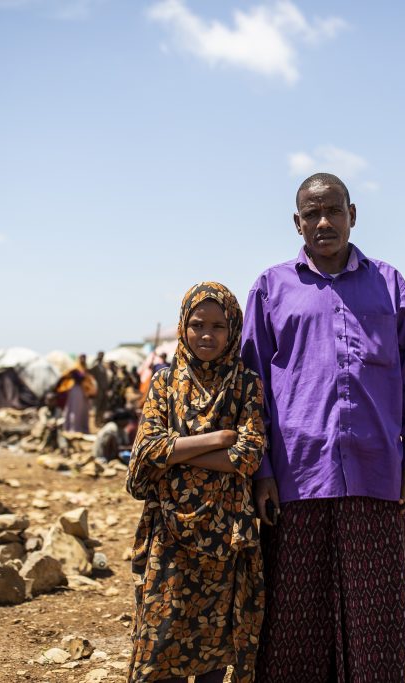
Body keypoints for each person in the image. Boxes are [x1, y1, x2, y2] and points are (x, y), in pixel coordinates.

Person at [241, 172, 405, 682]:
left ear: (353, 214)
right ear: (297, 223)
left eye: (333, 210)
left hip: (376, 473)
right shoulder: (270, 287)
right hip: (296, 478)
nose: (323, 222)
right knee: (294, 616)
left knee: (377, 615)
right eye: (312, 213)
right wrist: (261, 470)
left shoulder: (389, 284)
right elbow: (251, 386)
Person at [127, 282, 266, 683]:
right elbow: (145, 453)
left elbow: (250, 455)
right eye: (197, 324)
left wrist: (177, 453)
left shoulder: (245, 385)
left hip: (225, 536)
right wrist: (218, 439)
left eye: (218, 326)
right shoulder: (164, 383)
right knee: (162, 640)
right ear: (182, 328)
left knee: (212, 646)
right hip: (168, 534)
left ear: (233, 331)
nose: (207, 335)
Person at [56, 354, 97, 434]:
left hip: (84, 392)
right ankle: (73, 428)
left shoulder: (85, 369)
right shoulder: (74, 369)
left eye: (84, 358)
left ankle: (83, 428)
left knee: (84, 410)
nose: (83, 359)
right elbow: (64, 377)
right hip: (76, 391)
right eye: (81, 358)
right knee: (75, 409)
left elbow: (88, 380)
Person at [89, 351, 111, 429]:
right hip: (98, 390)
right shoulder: (95, 366)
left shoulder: (103, 366)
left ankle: (100, 421)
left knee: (103, 406)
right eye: (100, 355)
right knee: (97, 406)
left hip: (104, 389)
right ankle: (95, 422)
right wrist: (95, 360)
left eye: (102, 355)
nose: (101, 357)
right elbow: (89, 370)